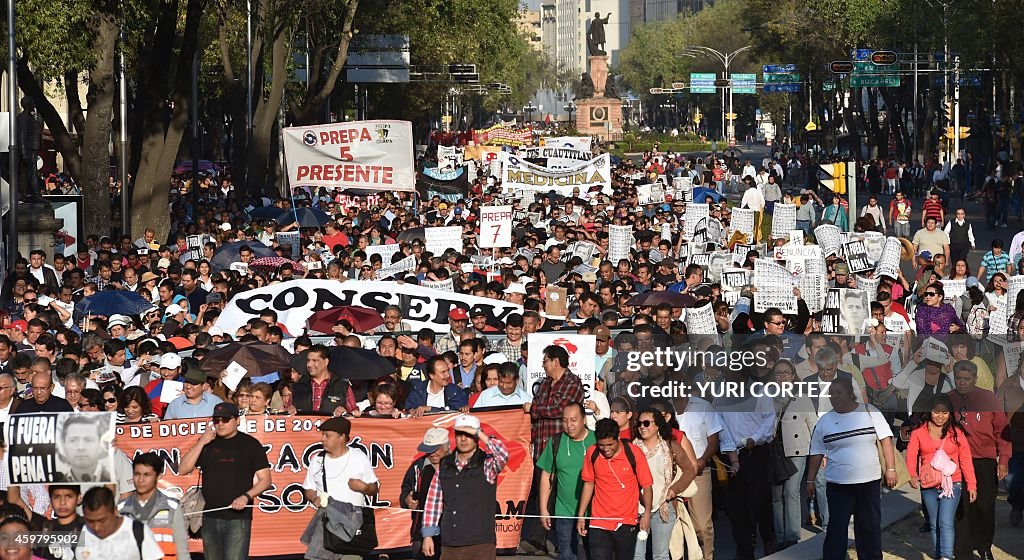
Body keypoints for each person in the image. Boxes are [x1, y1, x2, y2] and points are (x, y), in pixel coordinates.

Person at [806, 377, 899, 560]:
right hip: (838, 485)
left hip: (868, 483)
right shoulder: (825, 421)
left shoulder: (869, 411)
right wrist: (810, 480)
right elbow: (816, 451)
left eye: (839, 392)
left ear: (850, 393)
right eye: (831, 394)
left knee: (869, 528)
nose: (835, 397)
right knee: (836, 529)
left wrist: (891, 469)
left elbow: (886, 440)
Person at [180, 402, 272, 560]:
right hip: (210, 517)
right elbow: (183, 469)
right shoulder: (207, 444)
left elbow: (265, 480)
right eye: (216, 420)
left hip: (237, 518)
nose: (220, 424)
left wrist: (246, 497)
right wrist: (201, 442)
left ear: (237, 420)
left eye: (225, 419)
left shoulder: (250, 445)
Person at [421, 414, 509, 560]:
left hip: (480, 544)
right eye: (459, 434)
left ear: (476, 437)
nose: (463, 439)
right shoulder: (444, 465)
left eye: (468, 434)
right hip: (450, 544)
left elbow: (503, 455)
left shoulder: (487, 464)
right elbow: (434, 502)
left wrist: (480, 433)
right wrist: (428, 535)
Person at [947, 360, 1010, 560]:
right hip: (956, 463)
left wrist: (1004, 459)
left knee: (984, 506)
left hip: (984, 460)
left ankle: (984, 546)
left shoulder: (988, 398)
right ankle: (963, 551)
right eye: (959, 379)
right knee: (961, 507)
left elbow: (1002, 430)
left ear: (975, 378)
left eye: (967, 379)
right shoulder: (947, 400)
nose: (962, 383)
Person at [906, 394, 977, 560]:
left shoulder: (956, 433)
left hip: (953, 483)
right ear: (929, 411)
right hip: (928, 483)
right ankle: (939, 555)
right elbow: (911, 454)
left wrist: (972, 484)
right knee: (934, 524)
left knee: (945, 522)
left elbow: (966, 459)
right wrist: (912, 474)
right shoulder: (918, 432)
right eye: (936, 412)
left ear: (950, 413)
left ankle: (946, 556)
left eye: (945, 413)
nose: (940, 416)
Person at [301, 417, 380, 560]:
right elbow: (308, 488)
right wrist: (314, 497)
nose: (322, 439)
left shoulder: (358, 457)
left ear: (342, 437)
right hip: (326, 521)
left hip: (352, 521)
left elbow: (374, 488)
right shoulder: (317, 459)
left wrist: (364, 487)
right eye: (322, 435)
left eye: (327, 435)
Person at [576, 418, 653, 560]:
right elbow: (588, 484)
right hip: (598, 522)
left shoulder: (634, 453)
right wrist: (581, 515)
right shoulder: (592, 453)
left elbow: (647, 486)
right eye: (601, 445)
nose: (605, 449)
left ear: (618, 437)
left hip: (626, 522)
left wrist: (647, 514)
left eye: (610, 444)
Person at [631, 407, 696, 560]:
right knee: (637, 554)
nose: (642, 427)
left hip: (663, 508)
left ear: (658, 425)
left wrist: (674, 489)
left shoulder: (670, 446)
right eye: (639, 424)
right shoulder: (631, 448)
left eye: (646, 423)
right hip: (637, 509)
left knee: (660, 555)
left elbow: (689, 469)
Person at [537, 402, 596, 560]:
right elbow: (546, 475)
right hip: (564, 511)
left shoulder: (597, 441)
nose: (569, 425)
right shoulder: (556, 441)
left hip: (594, 511)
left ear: (584, 419)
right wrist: (543, 508)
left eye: (573, 420)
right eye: (565, 421)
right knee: (567, 556)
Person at [771, 359, 819, 549]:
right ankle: (779, 535)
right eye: (778, 373)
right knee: (775, 495)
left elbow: (814, 425)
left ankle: (791, 536)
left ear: (793, 375)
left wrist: (818, 452)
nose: (782, 377)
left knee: (791, 492)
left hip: (797, 450)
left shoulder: (802, 397)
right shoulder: (768, 398)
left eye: (786, 373)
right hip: (774, 451)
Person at [118, 452, 190, 560]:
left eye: (147, 475)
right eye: (137, 474)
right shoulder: (120, 510)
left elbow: (182, 551)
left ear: (159, 476)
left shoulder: (172, 507)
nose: (140, 480)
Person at [400, 427, 450, 560]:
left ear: (446, 447)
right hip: (421, 531)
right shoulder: (418, 466)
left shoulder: (458, 466)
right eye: (428, 450)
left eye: (435, 449)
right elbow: (405, 489)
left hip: (451, 531)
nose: (431, 454)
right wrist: (407, 500)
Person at [76, 486, 164, 560]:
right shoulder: (77, 533)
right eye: (90, 521)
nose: (96, 527)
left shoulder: (138, 532)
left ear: (115, 511)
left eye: (102, 521)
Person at [291, 345, 357, 416]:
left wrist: (345, 412)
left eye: (314, 360)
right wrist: (289, 409)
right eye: (308, 360)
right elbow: (287, 411)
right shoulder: (298, 386)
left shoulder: (343, 386)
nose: (309, 365)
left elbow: (355, 413)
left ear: (326, 362)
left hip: (332, 426)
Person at [54, 415, 111, 483]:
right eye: (73, 440)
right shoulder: (58, 482)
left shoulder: (114, 476)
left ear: (99, 443)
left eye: (88, 440)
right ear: (63, 444)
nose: (81, 447)